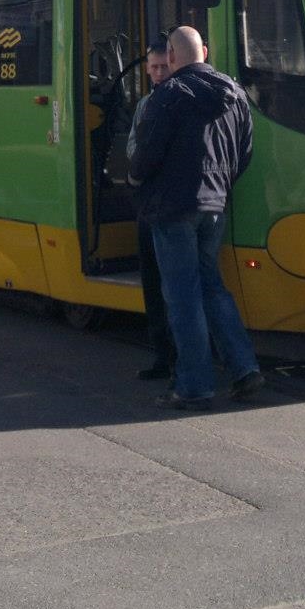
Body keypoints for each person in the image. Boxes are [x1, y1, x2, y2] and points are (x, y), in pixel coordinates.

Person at [129, 25, 263, 408]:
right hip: (214, 206)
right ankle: (244, 368)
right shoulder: (234, 92)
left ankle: (194, 384)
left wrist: (135, 178)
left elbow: (147, 152)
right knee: (212, 286)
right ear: (204, 50)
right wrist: (219, 185)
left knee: (182, 295)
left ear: (171, 57)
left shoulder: (168, 95)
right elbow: (245, 151)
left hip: (172, 208)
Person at [129, 43, 177, 382]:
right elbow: (133, 145)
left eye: (164, 67)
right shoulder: (145, 104)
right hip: (149, 204)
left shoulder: (178, 100)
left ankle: (179, 359)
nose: (158, 73)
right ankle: (162, 355)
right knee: (153, 282)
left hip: (170, 205)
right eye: (154, 67)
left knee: (174, 286)